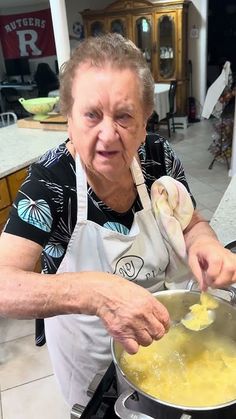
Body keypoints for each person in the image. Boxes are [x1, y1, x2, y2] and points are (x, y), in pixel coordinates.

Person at [0, 33, 235, 408]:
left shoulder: (158, 158)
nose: (108, 134)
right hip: (89, 357)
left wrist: (204, 242)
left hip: (162, 338)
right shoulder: (50, 182)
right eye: (92, 115)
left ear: (144, 122)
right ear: (69, 120)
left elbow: (191, 222)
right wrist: (95, 292)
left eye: (124, 116)